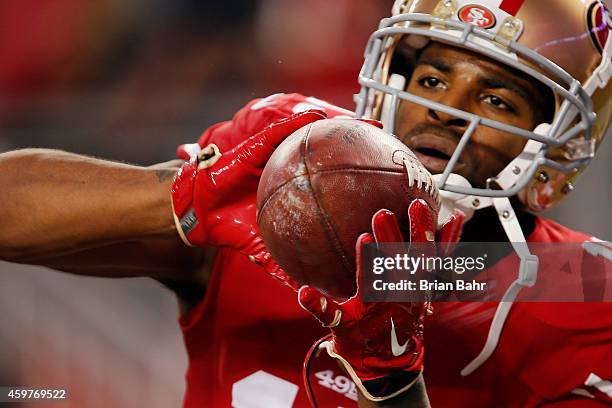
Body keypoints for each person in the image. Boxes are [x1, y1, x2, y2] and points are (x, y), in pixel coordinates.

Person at [1, 0, 611, 407]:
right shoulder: (295, 197)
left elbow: (496, 271)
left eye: (498, 100)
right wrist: (189, 198)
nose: (444, 109)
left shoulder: (587, 287)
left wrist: (391, 379)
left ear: (557, 145)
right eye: (430, 79)